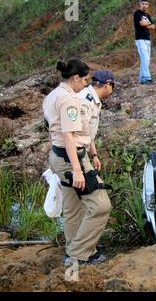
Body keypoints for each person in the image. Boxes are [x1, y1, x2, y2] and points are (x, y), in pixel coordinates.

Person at [43, 59, 112, 265]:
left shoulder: (52, 96)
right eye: (84, 80)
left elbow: (51, 130)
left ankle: (73, 249)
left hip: (58, 156)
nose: (86, 84)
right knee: (101, 206)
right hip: (71, 158)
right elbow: (68, 135)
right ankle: (79, 253)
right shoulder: (69, 100)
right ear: (75, 78)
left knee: (73, 207)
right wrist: (77, 169)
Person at [79, 69, 115, 171]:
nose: (112, 89)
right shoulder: (86, 101)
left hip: (81, 152)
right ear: (107, 84)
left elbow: (88, 131)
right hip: (74, 154)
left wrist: (94, 155)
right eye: (112, 85)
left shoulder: (93, 100)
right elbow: (76, 132)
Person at [133, 0, 155, 84]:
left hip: (147, 39)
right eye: (143, 4)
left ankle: (141, 79)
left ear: (148, 5)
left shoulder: (147, 15)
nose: (144, 5)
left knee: (146, 59)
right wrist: (148, 24)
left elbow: (153, 27)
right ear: (140, 4)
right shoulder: (137, 13)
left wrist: (146, 24)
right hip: (140, 39)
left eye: (146, 4)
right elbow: (142, 23)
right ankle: (147, 78)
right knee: (145, 58)